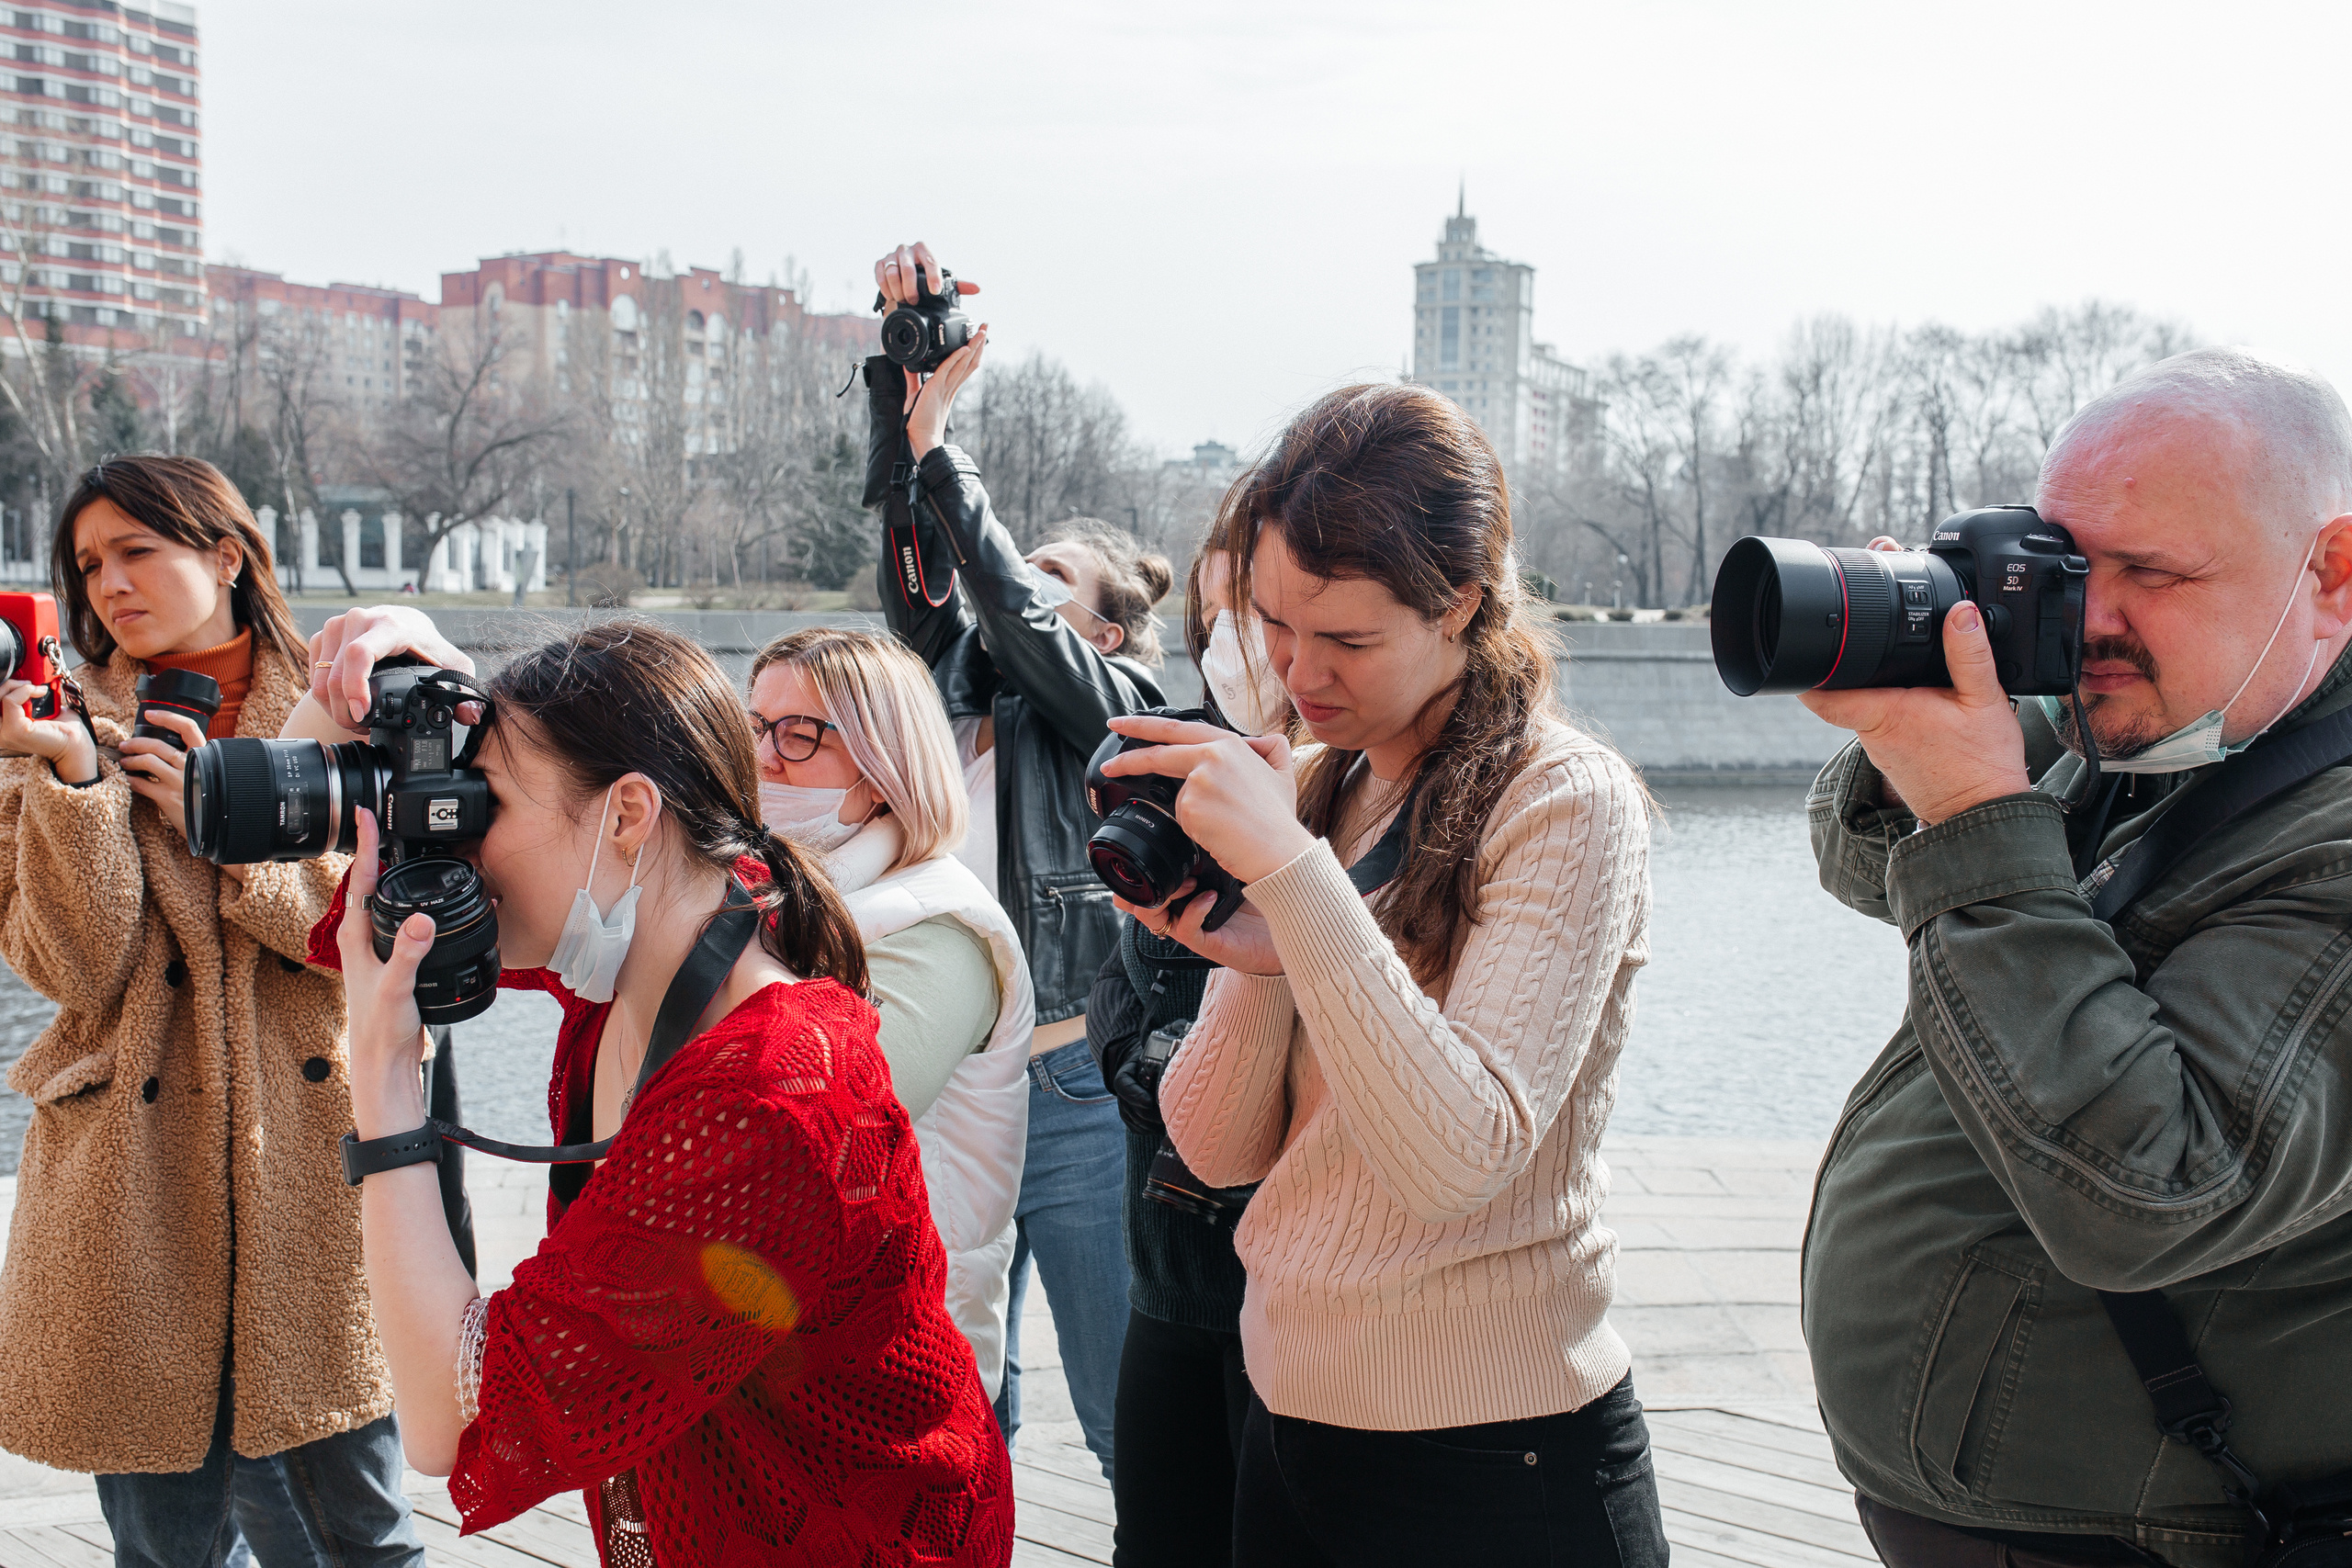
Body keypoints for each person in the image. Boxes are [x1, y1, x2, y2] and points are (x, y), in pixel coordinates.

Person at [309, 614, 1014, 1566]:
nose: (461, 846)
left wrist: (386, 1087)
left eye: (489, 807)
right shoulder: (649, 946)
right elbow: (364, 914)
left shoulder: (772, 1088)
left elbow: (451, 1409)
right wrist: (339, 707)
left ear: (628, 815)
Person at [1802, 348, 2352, 1567]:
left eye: (2150, 571)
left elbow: (2151, 1190)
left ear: (2332, 569)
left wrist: (1970, 807)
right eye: (2063, 562)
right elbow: (1865, 875)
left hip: (2154, 1532)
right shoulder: (2175, 717)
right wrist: (1929, 720)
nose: (2089, 615)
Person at [1125, 382, 1668, 1567]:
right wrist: (1266, 950)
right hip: (1291, 1420)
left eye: (1349, 639)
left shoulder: (1564, 799)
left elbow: (1458, 1158)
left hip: (1496, 1455)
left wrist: (1291, 879)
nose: (1297, 669)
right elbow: (1214, 1150)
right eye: (1272, 621)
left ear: (1461, 603)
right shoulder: (1326, 779)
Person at [0, 456, 424, 1567]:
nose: (108, 586)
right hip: (129, 1190)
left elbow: (381, 942)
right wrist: (78, 792)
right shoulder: (51, 718)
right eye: (89, 563)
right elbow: (73, 968)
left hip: (313, 1176)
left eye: (138, 550)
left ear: (227, 554)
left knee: (364, 1537)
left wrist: (223, 822)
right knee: (167, 1551)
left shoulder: (350, 702)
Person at [865, 240, 1172, 1475]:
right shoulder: (943, 685)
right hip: (947, 1091)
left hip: (1076, 1096)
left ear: (1096, 624)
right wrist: (908, 404)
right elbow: (923, 578)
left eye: (1051, 577)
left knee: (1122, 1421)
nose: (1016, 586)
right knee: (955, 1417)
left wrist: (950, 455)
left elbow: (1005, 603)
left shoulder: (1116, 698)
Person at [748, 626, 1033, 1402]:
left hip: (896, 1367)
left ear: (881, 772)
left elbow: (821, 1132)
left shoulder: (944, 930)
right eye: (755, 727)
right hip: (778, 1340)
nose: (765, 757)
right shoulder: (769, 893)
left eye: (800, 734)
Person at [1088, 545, 1290, 1567]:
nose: (1237, 647)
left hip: (1295, 1307)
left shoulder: (1369, 800)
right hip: (1164, 1280)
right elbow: (1120, 1013)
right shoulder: (1185, 780)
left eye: (1258, 617)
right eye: (1218, 622)